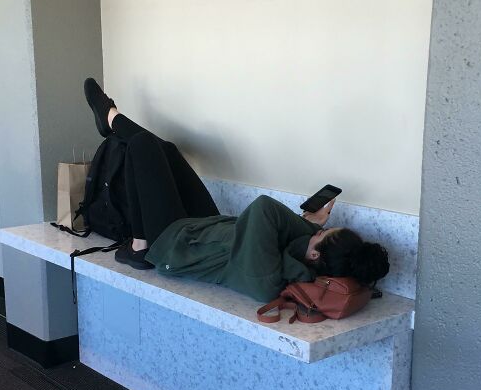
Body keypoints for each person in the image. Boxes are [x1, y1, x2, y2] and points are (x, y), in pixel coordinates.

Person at [83, 78, 390, 302]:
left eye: (323, 235)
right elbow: (270, 231)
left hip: (173, 246)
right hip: (206, 232)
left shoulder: (268, 278)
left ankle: (140, 245)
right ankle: (109, 119)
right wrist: (308, 230)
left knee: (144, 146)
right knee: (169, 152)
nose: (319, 230)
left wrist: (304, 224)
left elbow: (263, 209)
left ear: (314, 253)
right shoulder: (299, 251)